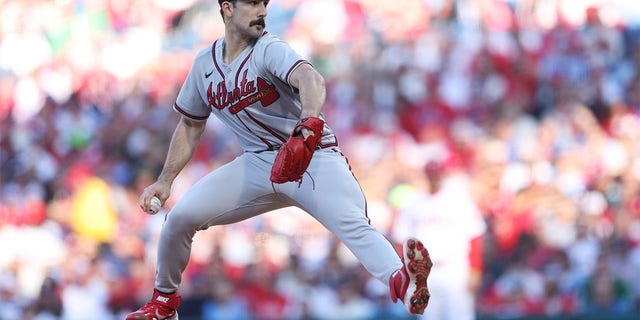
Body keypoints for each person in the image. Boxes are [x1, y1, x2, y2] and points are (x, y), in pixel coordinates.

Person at [125, 1, 432, 319]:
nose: (262, 10)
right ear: (227, 8)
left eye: (264, 3)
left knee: (352, 224)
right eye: (252, 3)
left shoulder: (269, 48)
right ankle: (163, 303)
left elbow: (311, 79)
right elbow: (190, 124)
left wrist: (309, 124)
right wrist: (165, 180)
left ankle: (404, 281)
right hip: (257, 163)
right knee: (179, 219)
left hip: (311, 156)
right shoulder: (204, 64)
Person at [392, 160, 486, 320]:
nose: (434, 178)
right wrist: (406, 273)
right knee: (429, 317)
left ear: (443, 175)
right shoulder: (413, 203)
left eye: (437, 175)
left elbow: (475, 237)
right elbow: (401, 239)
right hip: (424, 271)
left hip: (455, 268)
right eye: (431, 175)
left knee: (460, 316)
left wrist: (475, 270)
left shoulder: (459, 201)